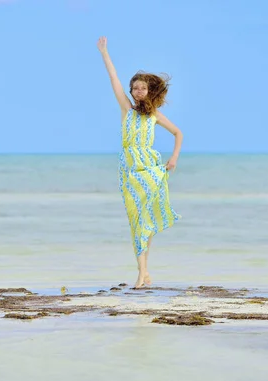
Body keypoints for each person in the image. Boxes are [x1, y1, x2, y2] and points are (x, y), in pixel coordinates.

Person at [97, 36, 183, 289]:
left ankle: (142, 273)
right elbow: (113, 79)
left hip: (150, 169)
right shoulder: (127, 110)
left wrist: (173, 159)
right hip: (129, 169)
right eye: (134, 88)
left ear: (149, 91)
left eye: (142, 88)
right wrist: (104, 53)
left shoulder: (155, 115)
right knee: (136, 220)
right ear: (132, 91)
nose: (138, 91)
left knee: (145, 220)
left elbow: (178, 133)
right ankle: (144, 273)